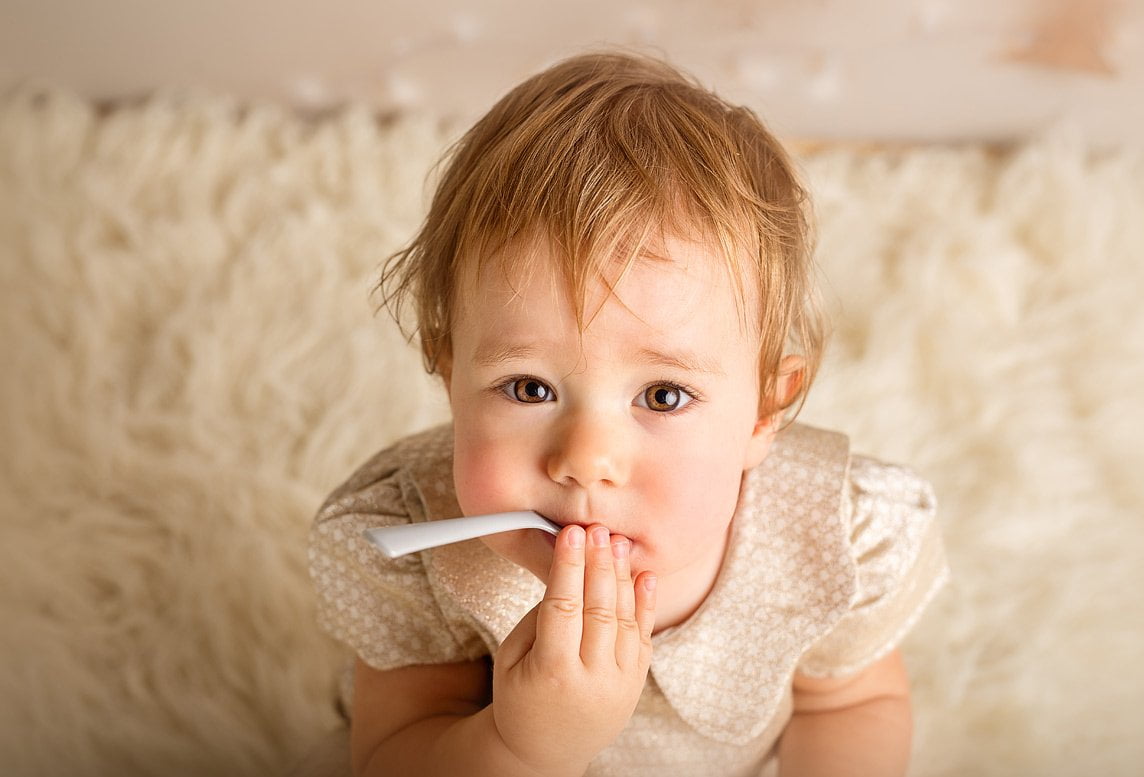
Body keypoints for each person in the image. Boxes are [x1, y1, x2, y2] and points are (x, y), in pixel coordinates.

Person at [307, 50, 948, 777]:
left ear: (766, 410)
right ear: (449, 367)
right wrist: (521, 744)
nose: (586, 456)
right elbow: (392, 752)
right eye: (528, 387)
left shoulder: (829, 539)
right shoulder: (422, 557)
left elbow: (850, 707)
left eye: (663, 395)